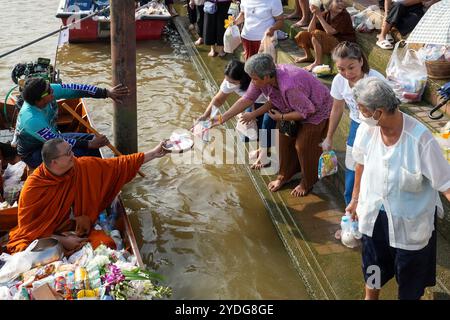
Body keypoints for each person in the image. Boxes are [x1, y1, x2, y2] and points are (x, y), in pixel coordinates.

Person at [345, 77, 450, 300]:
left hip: (410, 224)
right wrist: (355, 200)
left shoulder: (420, 140)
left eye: (363, 111)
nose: (361, 115)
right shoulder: (367, 130)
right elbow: (360, 163)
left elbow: (446, 185)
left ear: (379, 112)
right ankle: (370, 297)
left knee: (410, 277)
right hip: (373, 215)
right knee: (372, 266)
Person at [7, 138, 169, 254]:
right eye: (68, 153)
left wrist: (154, 153)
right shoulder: (33, 187)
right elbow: (29, 229)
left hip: (75, 227)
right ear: (54, 162)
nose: (73, 155)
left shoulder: (79, 167)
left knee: (107, 244)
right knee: (30, 252)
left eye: (71, 150)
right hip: (48, 235)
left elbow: (118, 165)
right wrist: (62, 240)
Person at [213, 53, 332, 196]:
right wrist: (222, 118)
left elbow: (307, 111)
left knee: (303, 146)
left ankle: (307, 182)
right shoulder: (260, 79)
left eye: (255, 79)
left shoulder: (289, 86)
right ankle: (284, 176)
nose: (252, 82)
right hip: (289, 107)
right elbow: (247, 99)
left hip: (316, 110)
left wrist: (281, 116)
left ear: (268, 76)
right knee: (283, 141)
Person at [14, 78, 129, 169]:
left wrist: (106, 93)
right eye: (49, 91)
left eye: (50, 86)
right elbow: (56, 141)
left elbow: (77, 89)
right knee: (84, 152)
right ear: (39, 100)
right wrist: (88, 144)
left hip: (52, 139)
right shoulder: (31, 119)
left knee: (93, 140)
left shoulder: (48, 91)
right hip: (34, 152)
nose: (53, 90)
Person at [321, 42, 385, 205]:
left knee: (375, 171)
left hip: (379, 127)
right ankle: (351, 214)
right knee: (352, 169)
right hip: (357, 126)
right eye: (342, 69)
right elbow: (337, 109)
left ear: (361, 61)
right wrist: (329, 137)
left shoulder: (376, 80)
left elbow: (389, 112)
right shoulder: (338, 81)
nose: (347, 73)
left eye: (351, 67)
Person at [196, 59, 276, 169]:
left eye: (233, 82)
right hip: (250, 102)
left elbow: (272, 101)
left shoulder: (256, 81)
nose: (229, 84)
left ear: (243, 79)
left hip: (270, 102)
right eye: (227, 80)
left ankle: (264, 155)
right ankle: (261, 149)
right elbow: (219, 100)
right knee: (252, 128)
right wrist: (206, 115)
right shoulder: (229, 82)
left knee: (266, 125)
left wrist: (253, 114)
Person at [294, 0, 355, 71]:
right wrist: (315, 14)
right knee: (302, 35)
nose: (341, 4)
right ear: (329, 3)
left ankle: (318, 62)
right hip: (330, 42)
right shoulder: (326, 13)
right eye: (337, 1)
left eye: (342, 1)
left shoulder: (344, 15)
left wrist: (319, 16)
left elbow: (330, 32)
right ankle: (308, 56)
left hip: (343, 45)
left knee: (316, 33)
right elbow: (310, 30)